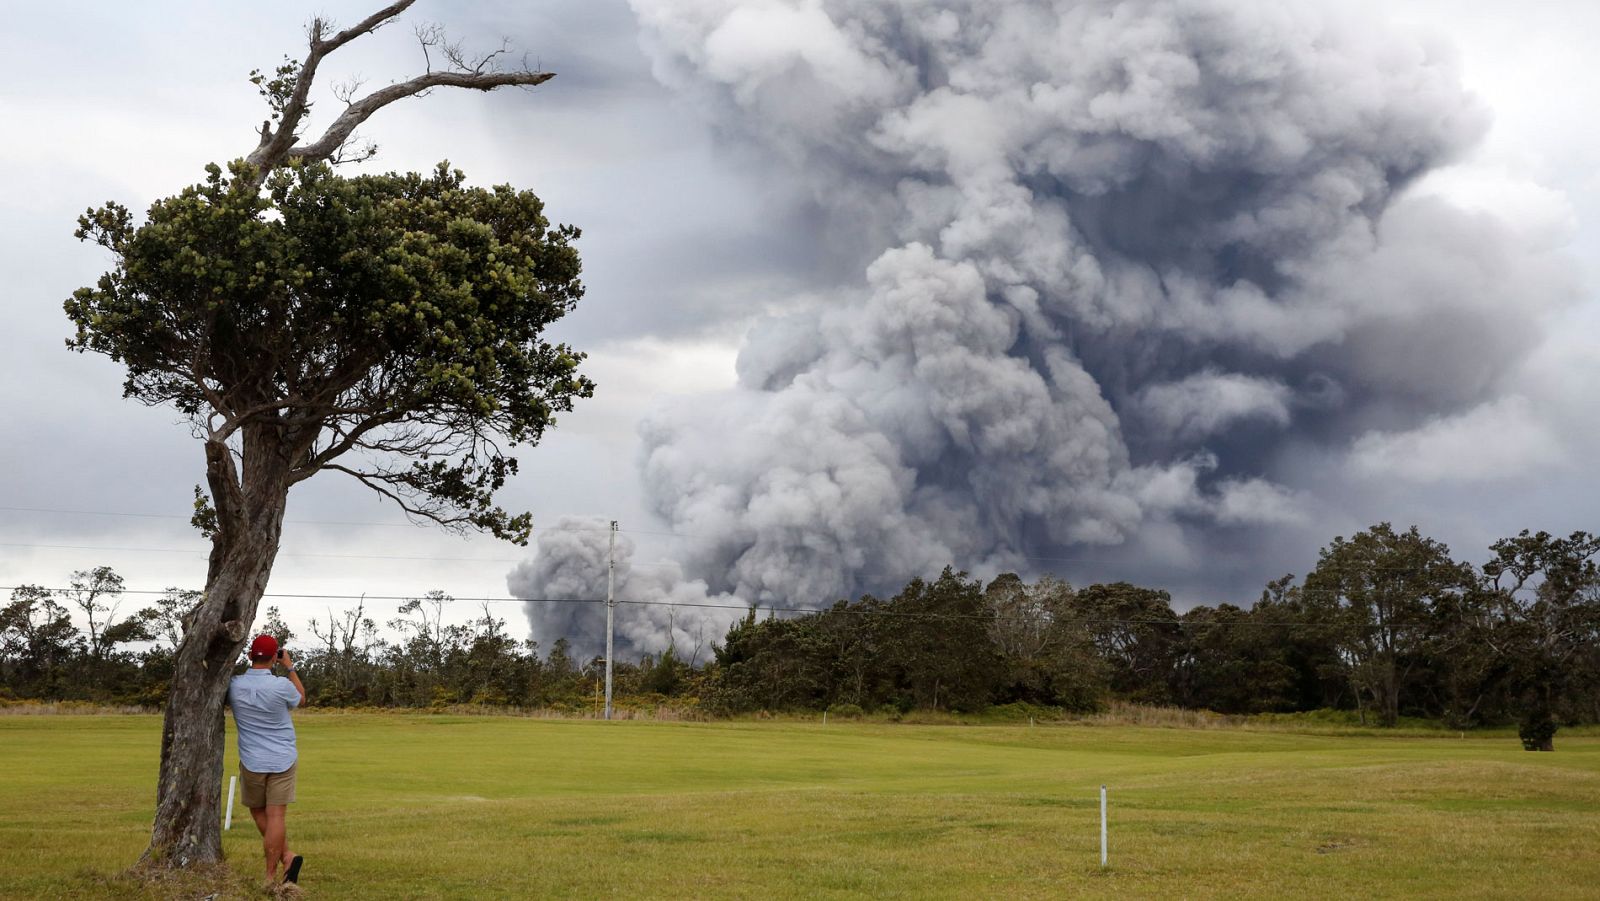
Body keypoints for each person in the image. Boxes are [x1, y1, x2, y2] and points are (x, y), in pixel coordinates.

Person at [227, 633, 307, 885]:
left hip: (252, 759)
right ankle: (277, 868)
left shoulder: (234, 684)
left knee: (258, 811)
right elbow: (301, 698)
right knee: (276, 816)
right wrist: (290, 667)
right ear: (275, 657)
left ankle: (283, 863)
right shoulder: (281, 685)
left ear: (251, 655)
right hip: (282, 757)